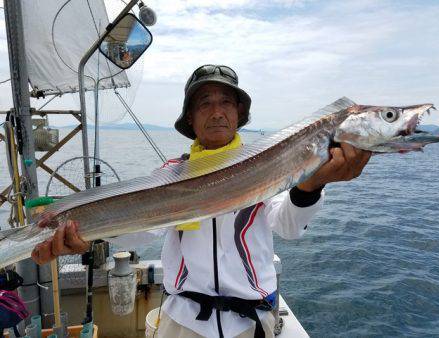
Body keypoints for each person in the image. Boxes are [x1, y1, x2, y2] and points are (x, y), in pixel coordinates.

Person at [32, 65, 371, 338]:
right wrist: (88, 235)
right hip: (183, 323)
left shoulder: (269, 165)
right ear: (190, 119)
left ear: (239, 114)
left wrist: (311, 186)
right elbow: (140, 232)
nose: (217, 112)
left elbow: (288, 225)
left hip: (251, 323)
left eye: (226, 102)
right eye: (204, 103)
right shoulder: (171, 173)